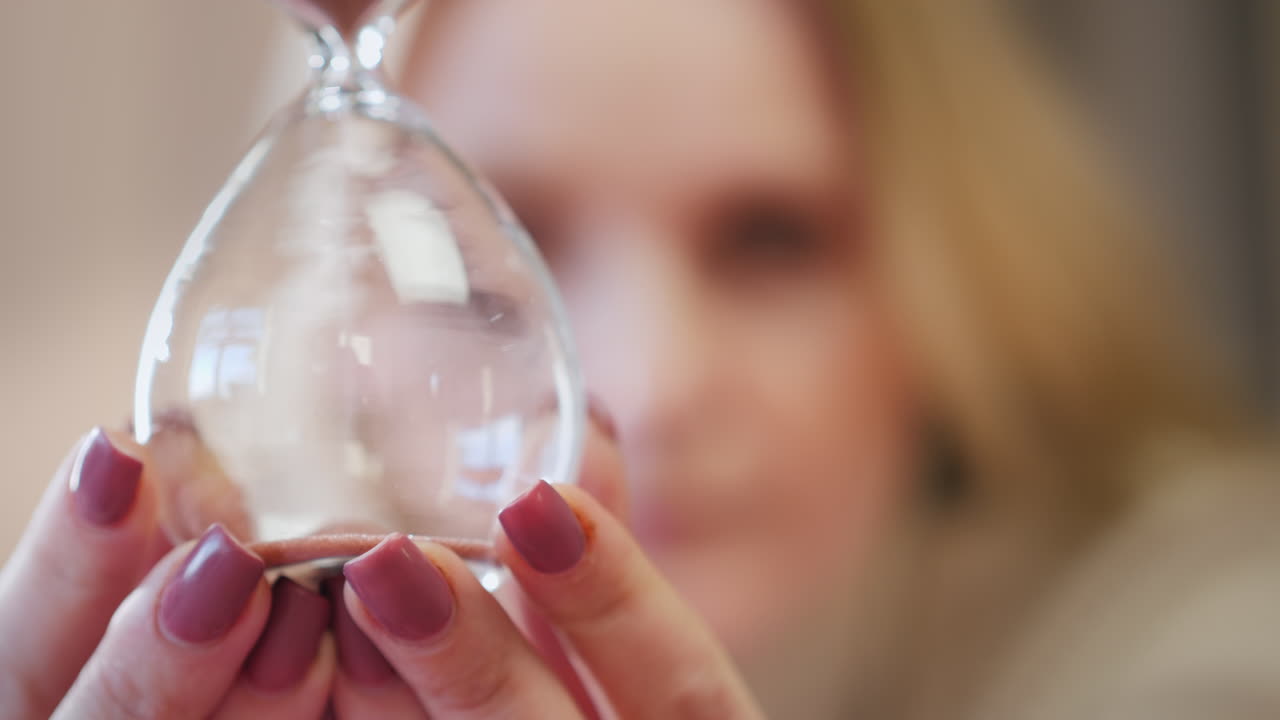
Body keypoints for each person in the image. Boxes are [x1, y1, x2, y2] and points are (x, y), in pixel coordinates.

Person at [1, 0, 1272, 718]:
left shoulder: (1201, 643)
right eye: (487, 256)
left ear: (953, 274)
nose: (647, 386)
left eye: (771, 240)